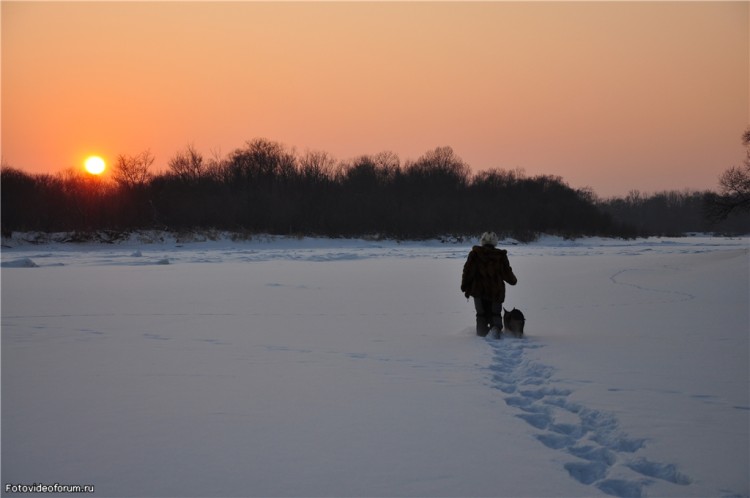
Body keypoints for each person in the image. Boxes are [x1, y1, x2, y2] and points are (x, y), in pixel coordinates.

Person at [460, 231, 518, 337]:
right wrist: (513, 280)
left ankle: (482, 337)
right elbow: (508, 275)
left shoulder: (475, 254)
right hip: (496, 291)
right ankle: (495, 335)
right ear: (495, 242)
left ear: (482, 241)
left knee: (481, 315)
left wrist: (464, 286)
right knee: (495, 314)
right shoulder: (500, 256)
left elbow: (468, 271)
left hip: (478, 290)